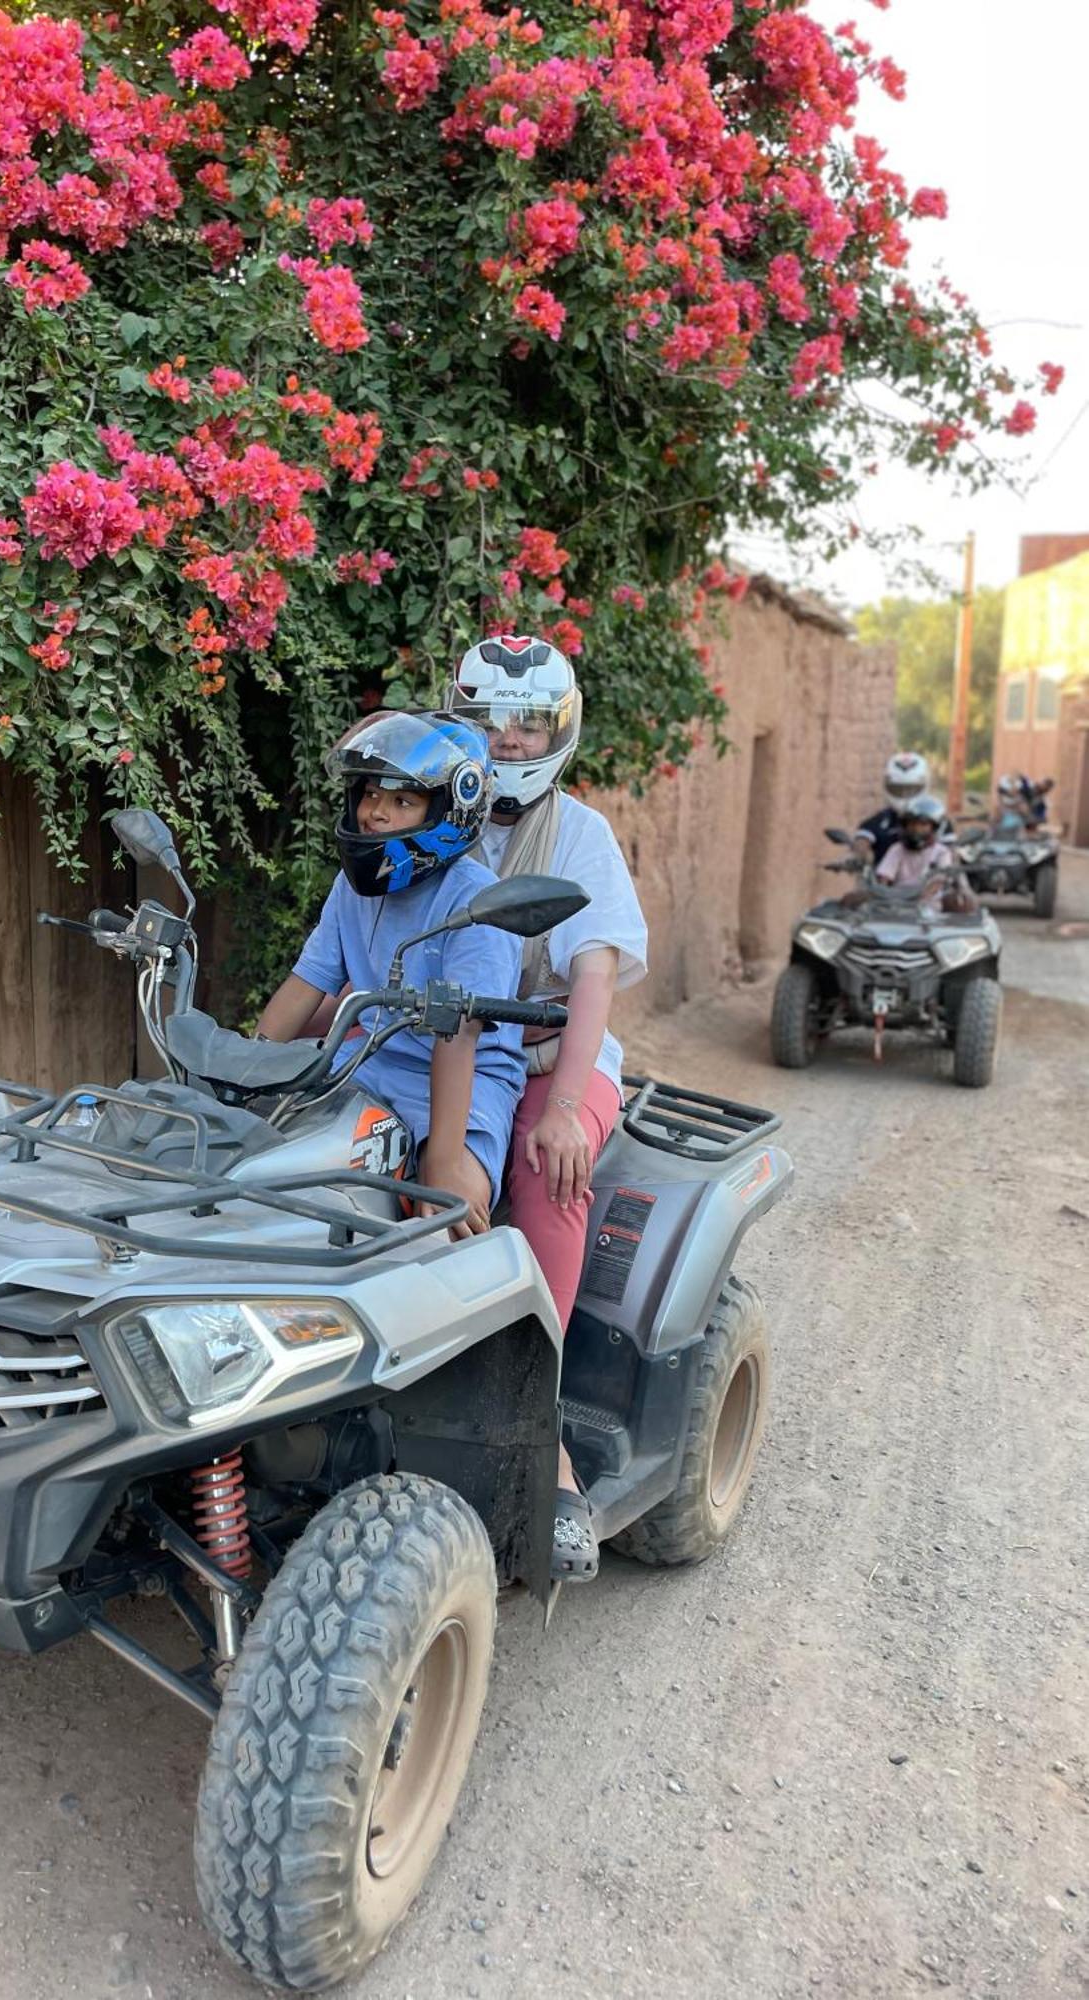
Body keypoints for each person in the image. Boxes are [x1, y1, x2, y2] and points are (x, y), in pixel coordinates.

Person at [444, 635, 648, 1581]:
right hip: (445, 1050)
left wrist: (565, 1104)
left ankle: (546, 1428)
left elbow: (595, 976)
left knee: (544, 1172)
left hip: (550, 1055)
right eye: (493, 721)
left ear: (560, 729)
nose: (513, 741)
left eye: (531, 723)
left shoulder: (582, 836)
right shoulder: (438, 814)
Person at [257, 710, 525, 1238]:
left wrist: (444, 1163)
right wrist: (247, 1074)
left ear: (451, 809)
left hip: (461, 1087)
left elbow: (459, 1035)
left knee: (447, 1218)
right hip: (368, 1060)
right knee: (264, 1160)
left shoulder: (475, 901)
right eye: (371, 795)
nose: (375, 813)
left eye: (402, 801)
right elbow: (305, 985)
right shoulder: (353, 886)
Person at [874, 793, 976, 910]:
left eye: (923, 824)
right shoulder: (897, 849)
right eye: (912, 824)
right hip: (897, 902)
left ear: (934, 827)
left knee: (962, 903)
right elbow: (884, 878)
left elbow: (938, 882)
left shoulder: (941, 852)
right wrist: (884, 896)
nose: (916, 829)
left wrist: (920, 898)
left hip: (931, 905)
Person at [855, 751, 933, 865]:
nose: (905, 795)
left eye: (911, 789)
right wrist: (858, 853)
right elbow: (862, 840)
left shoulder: (938, 821)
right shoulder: (880, 822)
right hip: (882, 881)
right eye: (898, 789)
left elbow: (951, 849)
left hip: (928, 881)